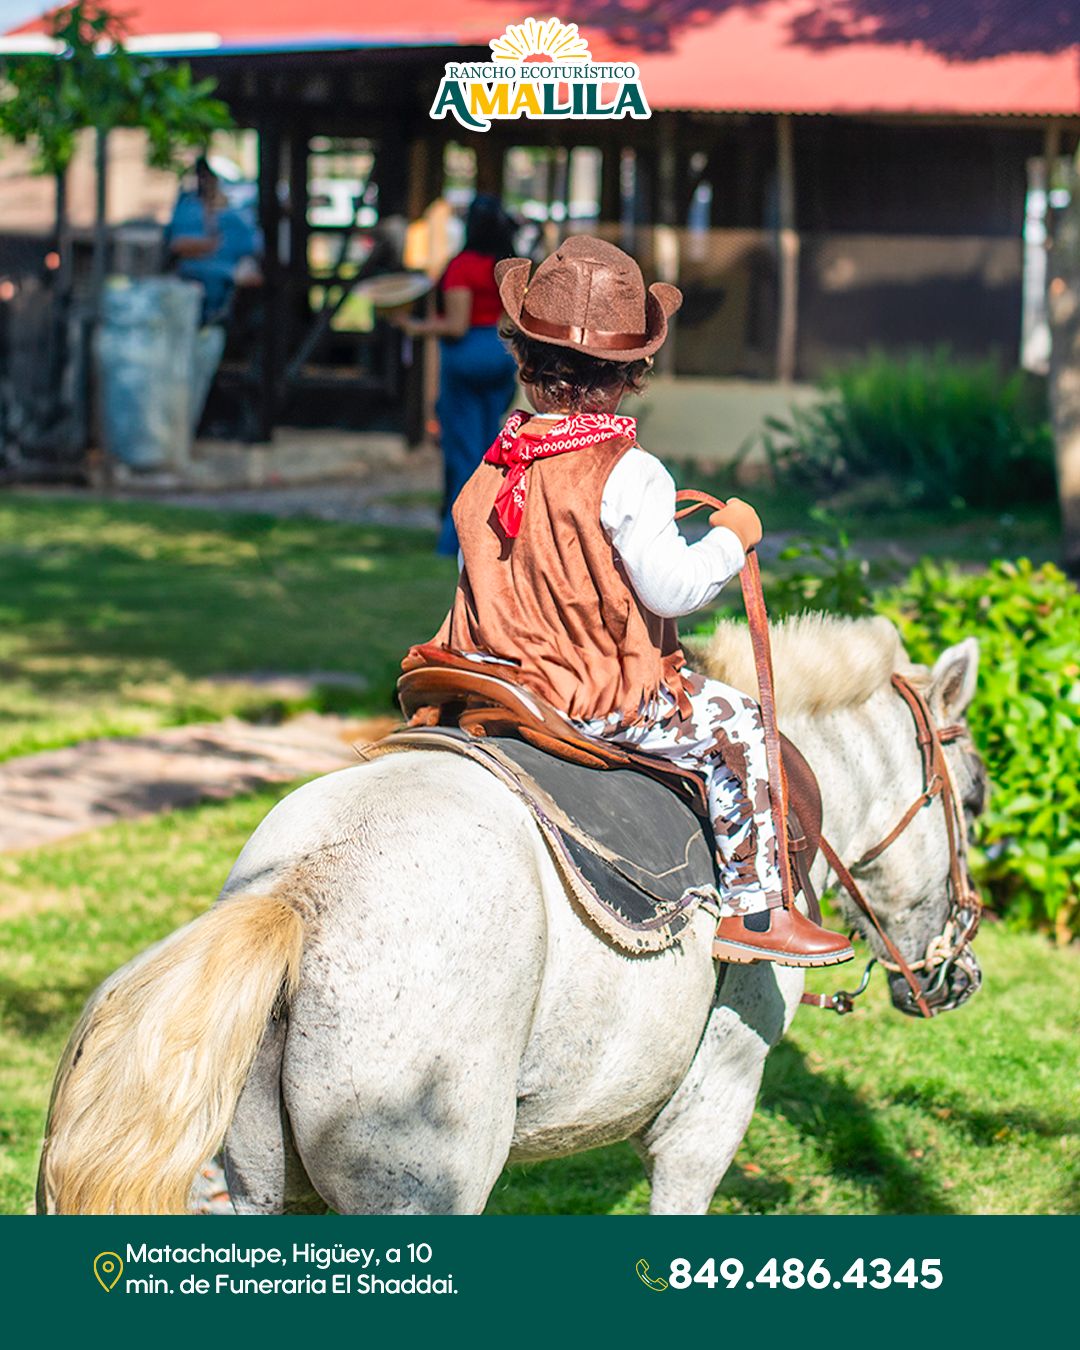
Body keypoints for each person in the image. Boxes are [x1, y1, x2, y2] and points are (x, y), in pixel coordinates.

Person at [405, 236, 853, 966]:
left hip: (491, 676)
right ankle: (758, 911)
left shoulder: (497, 459)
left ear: (521, 361)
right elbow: (670, 588)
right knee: (740, 724)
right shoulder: (632, 471)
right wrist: (731, 540)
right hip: (592, 698)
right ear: (632, 373)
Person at [395, 195, 519, 555]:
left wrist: (414, 327)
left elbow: (456, 324)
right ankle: (496, 533)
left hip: (468, 357)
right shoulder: (505, 265)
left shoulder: (462, 266)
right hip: (500, 353)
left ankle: (456, 541)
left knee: (464, 454)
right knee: (490, 449)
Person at [165, 157, 261, 325]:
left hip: (232, 291)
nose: (207, 182)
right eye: (203, 177)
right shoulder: (188, 209)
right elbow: (178, 245)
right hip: (199, 281)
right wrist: (207, 244)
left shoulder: (235, 215)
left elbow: (251, 250)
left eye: (210, 177)